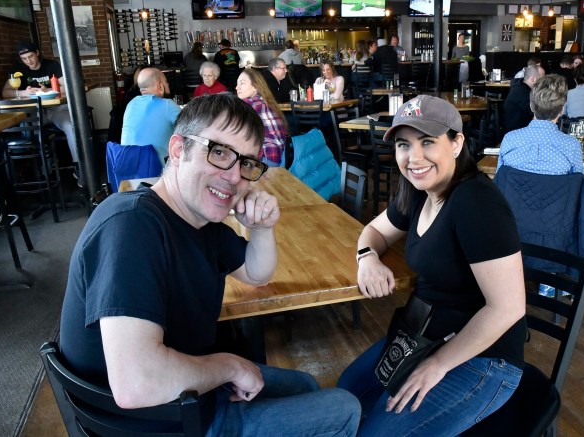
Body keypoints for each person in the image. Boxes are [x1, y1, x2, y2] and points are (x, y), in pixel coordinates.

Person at [59, 93, 361, 435]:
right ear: (177, 150)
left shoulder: (200, 221)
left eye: (247, 163)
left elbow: (256, 274)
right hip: (159, 422)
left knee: (304, 385)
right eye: (218, 153)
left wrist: (261, 228)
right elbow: (136, 384)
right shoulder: (131, 225)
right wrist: (228, 366)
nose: (235, 177)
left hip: (184, 395)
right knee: (344, 409)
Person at [337, 95, 526, 435]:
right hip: (421, 337)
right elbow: (375, 230)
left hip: (483, 358)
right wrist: (367, 258)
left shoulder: (476, 202)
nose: (414, 157)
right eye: (403, 145)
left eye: (427, 142)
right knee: (344, 398)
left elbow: (508, 307)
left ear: (457, 143)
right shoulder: (419, 191)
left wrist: (437, 364)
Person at [1, 42, 78, 169]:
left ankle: (79, 166)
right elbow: (5, 92)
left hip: (56, 109)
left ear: (37, 53)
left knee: (71, 126)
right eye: (24, 59)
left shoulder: (52, 65)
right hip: (34, 111)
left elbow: (69, 87)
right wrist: (23, 92)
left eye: (30, 56)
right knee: (31, 131)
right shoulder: (17, 71)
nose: (28, 61)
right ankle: (47, 161)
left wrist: (48, 90)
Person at [499, 74, 583, 175]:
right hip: (556, 189)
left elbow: (500, 181)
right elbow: (577, 184)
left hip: (513, 190)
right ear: (562, 110)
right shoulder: (571, 145)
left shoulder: (509, 140)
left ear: (531, 106)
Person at [121, 68, 181, 165]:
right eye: (166, 82)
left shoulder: (131, 104)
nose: (168, 84)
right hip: (156, 170)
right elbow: (191, 128)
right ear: (160, 86)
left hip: (128, 169)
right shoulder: (167, 105)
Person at [236, 68, 288, 167]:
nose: (237, 87)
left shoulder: (250, 104)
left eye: (242, 83)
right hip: (280, 157)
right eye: (237, 83)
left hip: (267, 160)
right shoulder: (264, 102)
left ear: (255, 87)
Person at [503, 64, 544, 133]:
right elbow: (537, 112)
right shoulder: (521, 92)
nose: (543, 82)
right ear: (533, 79)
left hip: (522, 127)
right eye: (542, 79)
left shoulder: (521, 87)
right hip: (516, 132)